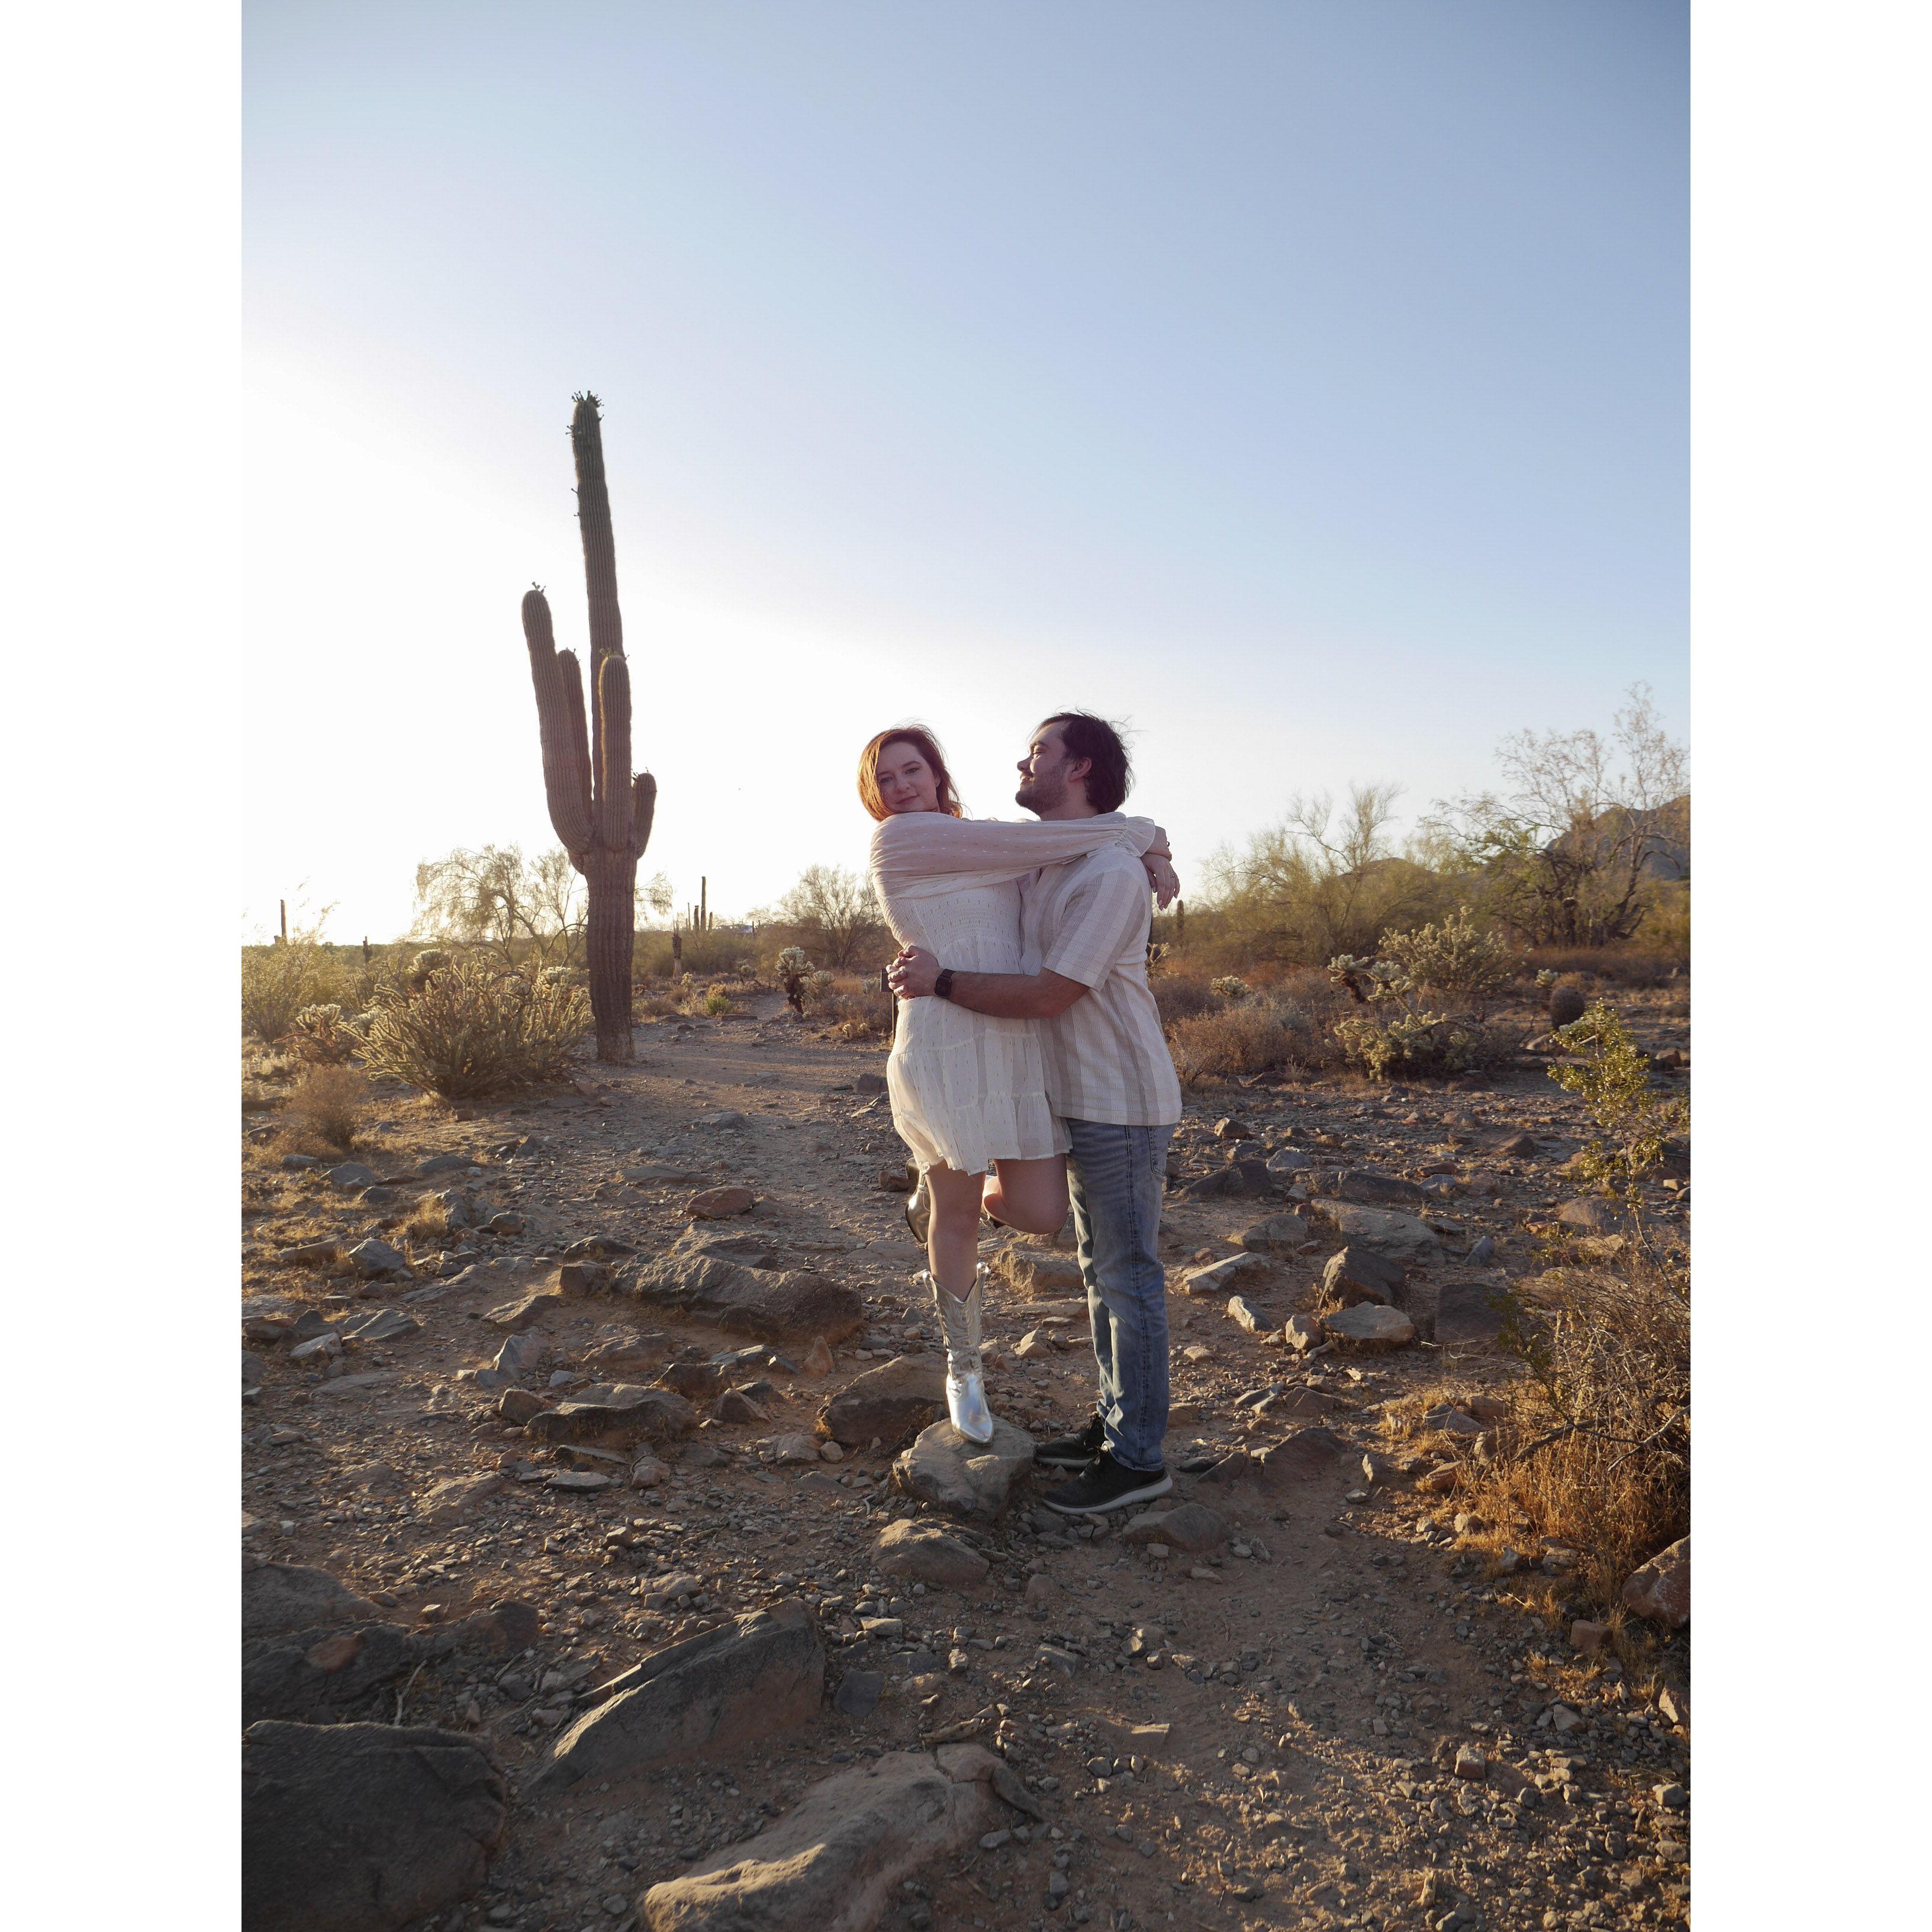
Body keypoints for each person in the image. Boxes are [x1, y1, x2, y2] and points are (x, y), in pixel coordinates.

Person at [888, 713, 1183, 1514]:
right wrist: (1155, 840)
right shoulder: (1050, 862)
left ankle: (1139, 1461)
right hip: (1066, 1093)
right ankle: (1115, 1427)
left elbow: (1053, 993)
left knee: (1128, 1278)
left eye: (1038, 752)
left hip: (1119, 1097)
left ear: (1079, 767)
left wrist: (943, 982)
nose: (1023, 764)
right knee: (1100, 1276)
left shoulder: (1110, 874)